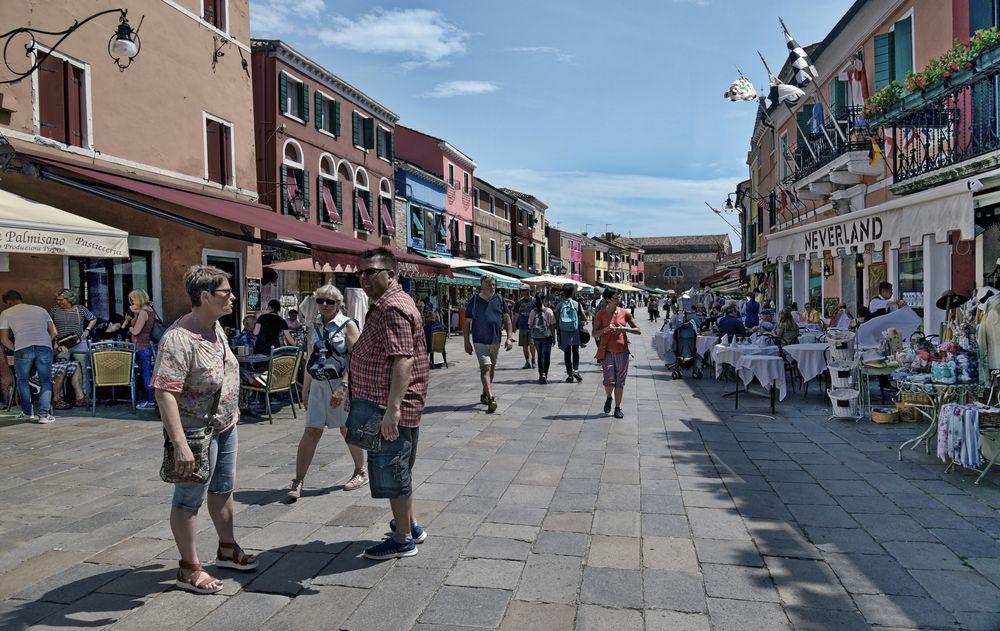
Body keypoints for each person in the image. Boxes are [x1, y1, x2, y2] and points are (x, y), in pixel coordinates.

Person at [152, 265, 256, 595]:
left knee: (223, 488)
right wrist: (180, 444)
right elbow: (164, 391)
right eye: (226, 292)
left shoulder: (215, 327)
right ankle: (188, 568)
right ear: (206, 296)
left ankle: (226, 548)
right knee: (188, 499)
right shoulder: (178, 339)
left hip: (226, 424)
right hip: (195, 433)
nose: (233, 297)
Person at [348, 247, 429, 560]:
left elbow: (403, 361)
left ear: (391, 274)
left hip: (390, 406)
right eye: (361, 272)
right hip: (390, 403)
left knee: (393, 471)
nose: (363, 277)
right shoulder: (387, 303)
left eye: (371, 272)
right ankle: (411, 525)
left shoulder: (391, 307)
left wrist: (392, 411)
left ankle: (402, 539)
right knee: (400, 469)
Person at [288, 285, 366, 502]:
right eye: (320, 300)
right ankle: (298, 480)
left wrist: (344, 386)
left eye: (329, 302)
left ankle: (360, 471)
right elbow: (311, 356)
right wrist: (305, 387)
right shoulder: (313, 326)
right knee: (311, 430)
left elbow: (357, 359)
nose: (324, 305)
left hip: (341, 385)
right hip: (319, 386)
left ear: (339, 304)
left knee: (346, 429)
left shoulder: (348, 325)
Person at [0, 290, 57, 423]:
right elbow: (54, 332)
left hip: (23, 348)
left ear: (8, 302)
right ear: (20, 298)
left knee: (22, 381)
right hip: (44, 346)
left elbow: (3, 339)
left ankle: (27, 413)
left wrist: (16, 348)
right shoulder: (41, 310)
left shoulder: (6, 313)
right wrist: (45, 343)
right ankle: (43, 415)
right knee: (45, 381)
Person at [464, 276, 513, 413]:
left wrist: (509, 338)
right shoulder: (474, 300)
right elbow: (467, 322)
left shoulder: (499, 299)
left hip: (495, 340)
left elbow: (507, 318)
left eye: (494, 284)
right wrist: (466, 342)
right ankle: (491, 397)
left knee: (491, 369)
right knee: (485, 368)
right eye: (490, 284)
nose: (493, 287)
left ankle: (485, 392)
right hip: (479, 340)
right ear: (482, 285)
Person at [593, 287, 641, 419]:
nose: (619, 299)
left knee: (620, 381)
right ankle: (609, 397)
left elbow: (638, 330)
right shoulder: (601, 314)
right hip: (607, 352)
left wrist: (624, 329)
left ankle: (617, 407)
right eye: (616, 298)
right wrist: (605, 330)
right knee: (608, 381)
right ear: (608, 299)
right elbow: (593, 333)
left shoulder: (625, 313)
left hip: (622, 352)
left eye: (619, 297)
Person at [51, 289, 97, 405]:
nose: (58, 302)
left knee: (83, 368)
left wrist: (87, 330)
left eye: (61, 300)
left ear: (69, 299)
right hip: (61, 343)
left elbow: (93, 318)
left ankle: (83, 396)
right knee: (60, 368)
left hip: (78, 341)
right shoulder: (54, 310)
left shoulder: (80, 309)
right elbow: (48, 323)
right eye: (57, 299)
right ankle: (59, 397)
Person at [124, 289, 157, 410]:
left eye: (132, 299)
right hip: (146, 345)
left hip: (141, 346)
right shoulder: (149, 310)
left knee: (145, 375)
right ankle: (150, 399)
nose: (131, 301)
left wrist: (131, 329)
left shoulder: (143, 312)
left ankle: (151, 400)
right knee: (146, 373)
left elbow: (136, 331)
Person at [555, 283, 588, 383]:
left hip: (564, 332)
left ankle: (570, 375)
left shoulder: (560, 305)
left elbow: (556, 320)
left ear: (563, 292)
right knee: (575, 351)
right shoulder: (577, 304)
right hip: (575, 331)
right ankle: (576, 371)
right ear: (573, 292)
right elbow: (584, 318)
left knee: (567, 352)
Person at [527, 292, 556, 384]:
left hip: (537, 337)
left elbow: (530, 325)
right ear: (544, 300)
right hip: (547, 336)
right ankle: (545, 374)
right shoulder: (549, 311)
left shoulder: (533, 311)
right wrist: (554, 338)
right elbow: (552, 326)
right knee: (546, 356)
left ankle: (540, 374)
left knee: (540, 355)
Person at [515, 294, 536, 369]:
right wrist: (514, 324)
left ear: (529, 291)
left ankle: (533, 360)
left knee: (532, 344)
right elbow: (516, 314)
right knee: (524, 345)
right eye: (523, 291)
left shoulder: (534, 301)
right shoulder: (519, 302)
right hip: (522, 326)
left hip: (532, 326)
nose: (524, 292)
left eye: (525, 290)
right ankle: (527, 362)